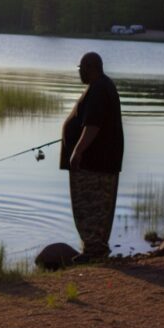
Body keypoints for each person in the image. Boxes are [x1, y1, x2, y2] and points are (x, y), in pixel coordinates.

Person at [60, 52, 124, 263]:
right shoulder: (102, 86)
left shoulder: (98, 90)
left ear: (90, 68)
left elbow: (92, 126)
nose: (79, 72)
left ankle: (94, 251)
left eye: (81, 69)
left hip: (95, 164)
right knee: (95, 207)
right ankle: (94, 249)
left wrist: (77, 152)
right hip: (99, 162)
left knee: (91, 206)